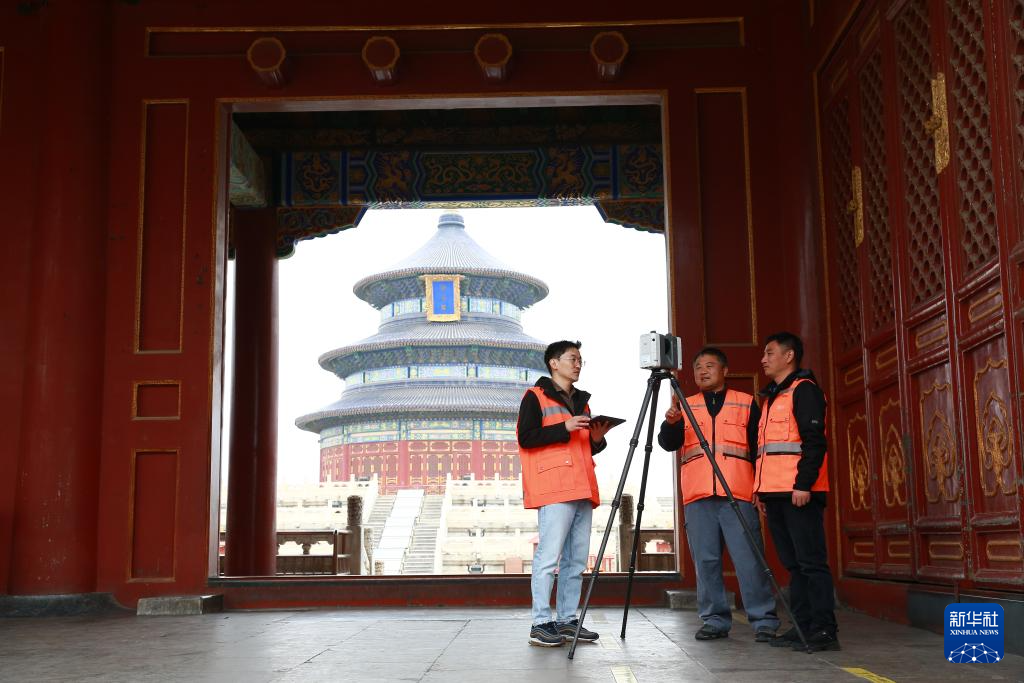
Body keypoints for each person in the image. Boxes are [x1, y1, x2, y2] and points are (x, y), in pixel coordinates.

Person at [658, 347, 780, 642]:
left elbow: (760, 449)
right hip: (698, 495)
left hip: (738, 493)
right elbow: (668, 443)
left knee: (749, 560)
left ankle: (764, 620)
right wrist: (671, 423)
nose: (702, 371)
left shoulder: (745, 403)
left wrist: (760, 488)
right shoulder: (685, 405)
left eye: (709, 365)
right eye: (698, 367)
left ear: (725, 370)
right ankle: (714, 619)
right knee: (706, 562)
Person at [518, 340, 614, 647]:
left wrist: (597, 439)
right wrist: (565, 426)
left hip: (582, 485)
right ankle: (540, 622)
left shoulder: (582, 402)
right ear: (554, 363)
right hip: (554, 487)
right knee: (548, 558)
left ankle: (567, 619)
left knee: (576, 561)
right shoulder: (535, 396)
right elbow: (526, 437)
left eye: (580, 360)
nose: (578, 364)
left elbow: (583, 446)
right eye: (573, 359)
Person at [755, 332, 839, 652]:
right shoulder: (773, 396)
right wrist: (760, 491)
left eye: (770, 353)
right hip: (775, 494)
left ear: (789, 356)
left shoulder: (804, 391)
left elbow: (814, 442)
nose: (763, 359)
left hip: (798, 492)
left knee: (811, 563)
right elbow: (765, 451)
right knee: (793, 564)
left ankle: (824, 629)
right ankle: (802, 626)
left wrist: (803, 484)